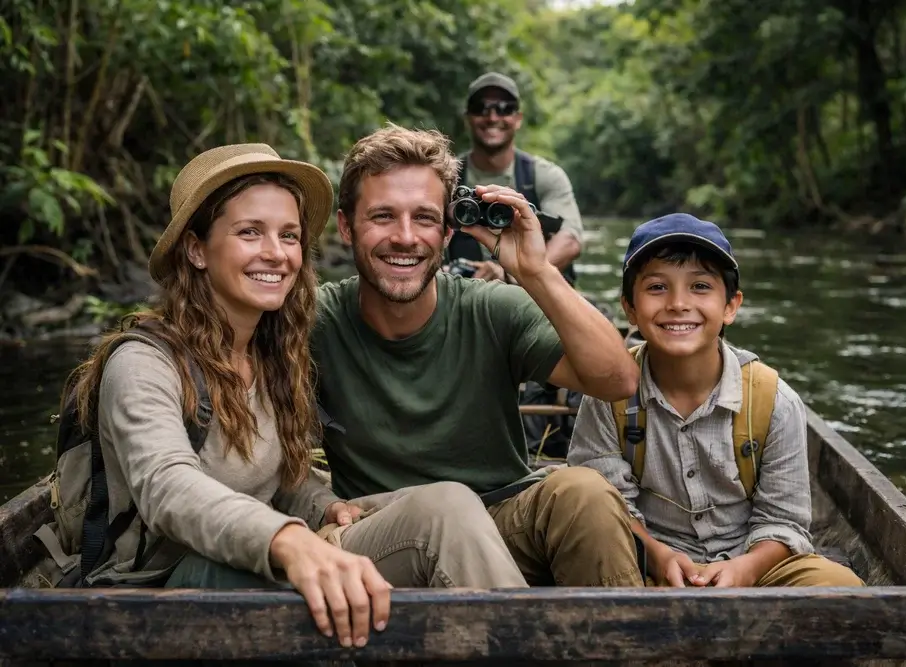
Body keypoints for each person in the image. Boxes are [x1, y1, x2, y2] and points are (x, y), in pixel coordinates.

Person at [51, 143, 528, 654]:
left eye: (289, 236)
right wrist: (288, 540)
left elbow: (279, 481)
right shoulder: (142, 363)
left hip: (260, 560)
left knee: (448, 505)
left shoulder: (275, 356)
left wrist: (321, 508)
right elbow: (167, 488)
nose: (276, 253)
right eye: (249, 232)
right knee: (258, 579)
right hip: (157, 598)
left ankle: (528, 649)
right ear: (195, 249)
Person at [311, 124, 645, 588]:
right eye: (383, 216)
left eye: (424, 218)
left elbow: (618, 380)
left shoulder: (490, 307)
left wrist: (537, 272)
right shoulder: (316, 319)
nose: (405, 237)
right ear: (346, 227)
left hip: (500, 518)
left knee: (583, 492)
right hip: (383, 531)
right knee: (448, 506)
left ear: (449, 232)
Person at [566, 213, 865, 588]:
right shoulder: (609, 393)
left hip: (751, 562)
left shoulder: (773, 400)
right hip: (643, 560)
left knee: (842, 588)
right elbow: (608, 511)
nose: (678, 303)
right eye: (657, 287)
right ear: (630, 308)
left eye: (700, 287)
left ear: (731, 306)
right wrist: (658, 557)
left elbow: (783, 521)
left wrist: (745, 568)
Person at [447, 72, 584, 286]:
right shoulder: (447, 176)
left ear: (518, 119)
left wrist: (515, 274)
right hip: (463, 295)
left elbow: (570, 240)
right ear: (468, 119)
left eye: (504, 108)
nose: (492, 117)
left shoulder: (544, 175)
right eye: (481, 108)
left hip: (531, 296)